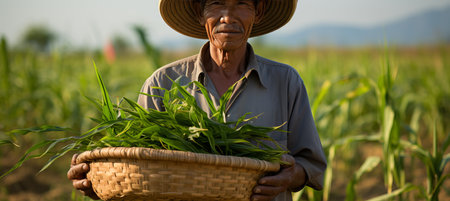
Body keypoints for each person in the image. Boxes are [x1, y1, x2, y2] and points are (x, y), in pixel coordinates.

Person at [67, 0, 327, 201]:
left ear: (258, 11)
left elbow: (313, 164)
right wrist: (101, 182)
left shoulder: (286, 83)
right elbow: (138, 166)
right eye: (216, 4)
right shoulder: (163, 83)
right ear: (199, 12)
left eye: (242, 4)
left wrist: (290, 176)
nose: (228, 16)